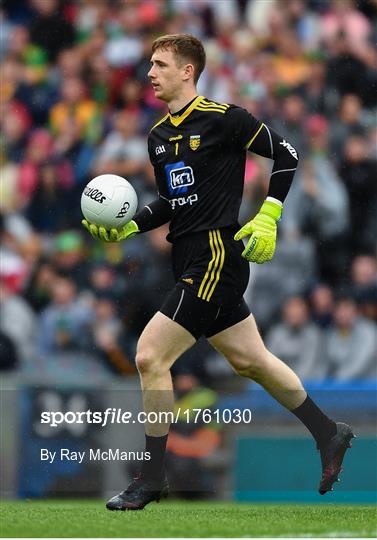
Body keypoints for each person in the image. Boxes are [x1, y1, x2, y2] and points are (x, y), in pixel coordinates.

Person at [82, 34, 354, 510]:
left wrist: (269, 212)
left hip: (216, 255)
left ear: (188, 70)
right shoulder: (158, 136)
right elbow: (172, 200)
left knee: (150, 356)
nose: (150, 72)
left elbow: (286, 154)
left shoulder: (225, 119)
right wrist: (127, 228)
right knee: (251, 360)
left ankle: (151, 477)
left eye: (160, 64)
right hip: (187, 256)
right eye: (149, 64)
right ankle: (328, 432)